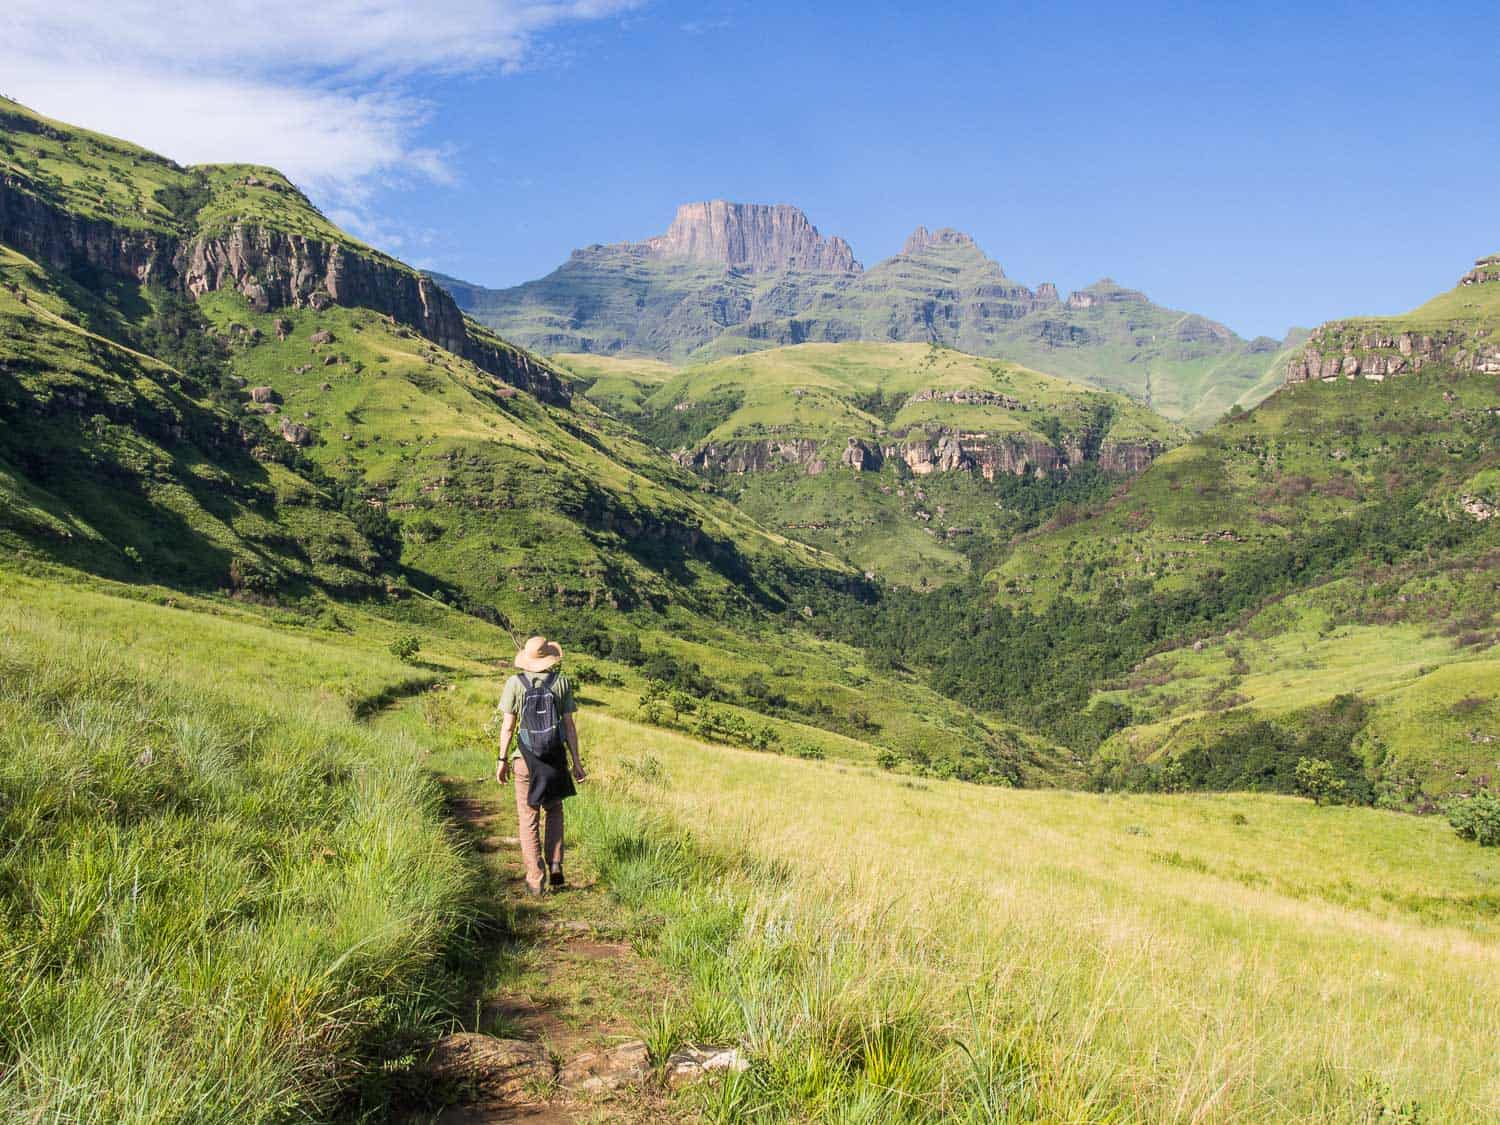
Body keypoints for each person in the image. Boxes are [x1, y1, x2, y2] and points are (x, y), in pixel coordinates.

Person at [495, 636, 587, 895]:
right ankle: (555, 861)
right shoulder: (561, 683)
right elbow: (569, 726)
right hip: (555, 760)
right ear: (549, 659)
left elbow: (508, 727)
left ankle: (535, 879)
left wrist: (502, 760)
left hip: (525, 760)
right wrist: (577, 763)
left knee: (529, 817)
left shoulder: (515, 683)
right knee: (554, 810)